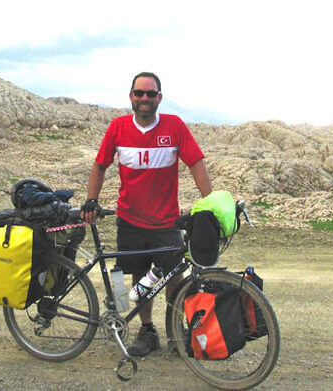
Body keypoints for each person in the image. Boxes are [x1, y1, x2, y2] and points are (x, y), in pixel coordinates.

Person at [81, 71, 212, 357]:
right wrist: (91, 200)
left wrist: (210, 202)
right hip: (130, 220)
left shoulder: (174, 126)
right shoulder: (118, 127)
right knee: (140, 278)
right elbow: (100, 165)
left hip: (166, 221)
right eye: (139, 93)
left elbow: (196, 163)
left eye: (150, 94)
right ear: (131, 97)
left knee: (173, 279)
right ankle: (148, 330)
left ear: (159, 98)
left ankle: (177, 332)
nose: (144, 99)